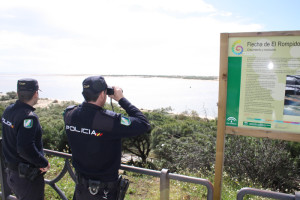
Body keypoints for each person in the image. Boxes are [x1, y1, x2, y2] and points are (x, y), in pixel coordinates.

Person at [64, 76, 151, 200]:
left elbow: (83, 112)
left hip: (81, 190)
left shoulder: (69, 114)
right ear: (102, 94)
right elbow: (143, 124)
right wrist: (121, 99)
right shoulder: (109, 121)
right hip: (104, 192)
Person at [1, 78, 50, 200]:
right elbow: (24, 147)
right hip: (26, 178)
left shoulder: (8, 110)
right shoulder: (29, 118)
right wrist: (43, 163)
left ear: (18, 93)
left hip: (11, 174)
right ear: (35, 94)